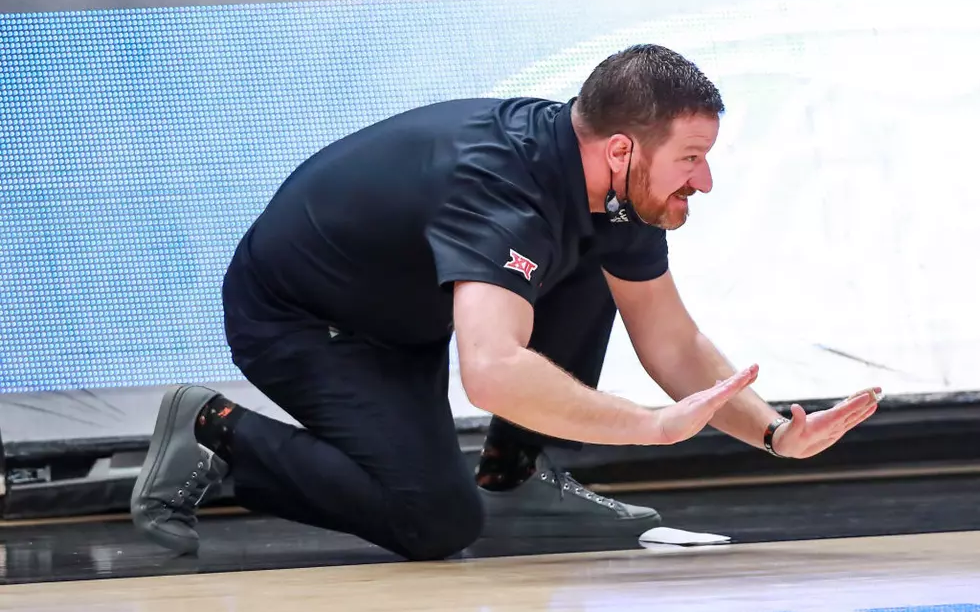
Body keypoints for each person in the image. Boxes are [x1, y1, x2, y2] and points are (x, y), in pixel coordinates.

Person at [130, 44, 882, 560]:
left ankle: (513, 474)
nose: (705, 181)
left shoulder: (612, 194)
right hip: (304, 320)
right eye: (691, 159)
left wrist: (778, 433)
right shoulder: (500, 188)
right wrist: (651, 427)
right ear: (622, 149)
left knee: (594, 262)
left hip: (404, 308)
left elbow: (672, 340)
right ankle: (212, 430)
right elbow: (491, 368)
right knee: (434, 521)